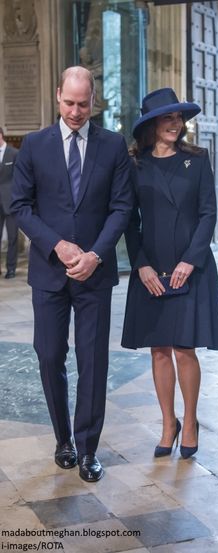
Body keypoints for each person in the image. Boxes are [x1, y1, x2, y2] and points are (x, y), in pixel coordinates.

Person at [10, 66, 133, 482]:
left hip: (94, 275)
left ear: (93, 100)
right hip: (49, 272)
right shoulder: (34, 145)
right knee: (49, 356)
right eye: (69, 103)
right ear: (57, 96)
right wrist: (57, 245)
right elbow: (20, 206)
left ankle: (88, 448)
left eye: (83, 104)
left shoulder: (113, 146)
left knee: (94, 361)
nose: (76, 112)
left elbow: (122, 207)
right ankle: (63, 437)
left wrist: (97, 254)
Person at [121, 88, 218, 459]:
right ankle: (169, 423)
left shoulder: (196, 159)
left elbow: (208, 213)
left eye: (178, 118)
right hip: (151, 267)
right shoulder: (134, 165)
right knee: (159, 350)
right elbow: (128, 221)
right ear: (151, 124)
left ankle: (191, 420)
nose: (176, 124)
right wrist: (141, 265)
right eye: (168, 118)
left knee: (185, 348)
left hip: (190, 267)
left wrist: (190, 260)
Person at [0, 126, 18, 278]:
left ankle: (11, 268)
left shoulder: (13, 153)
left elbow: (19, 179)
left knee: (13, 237)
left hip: (11, 203)